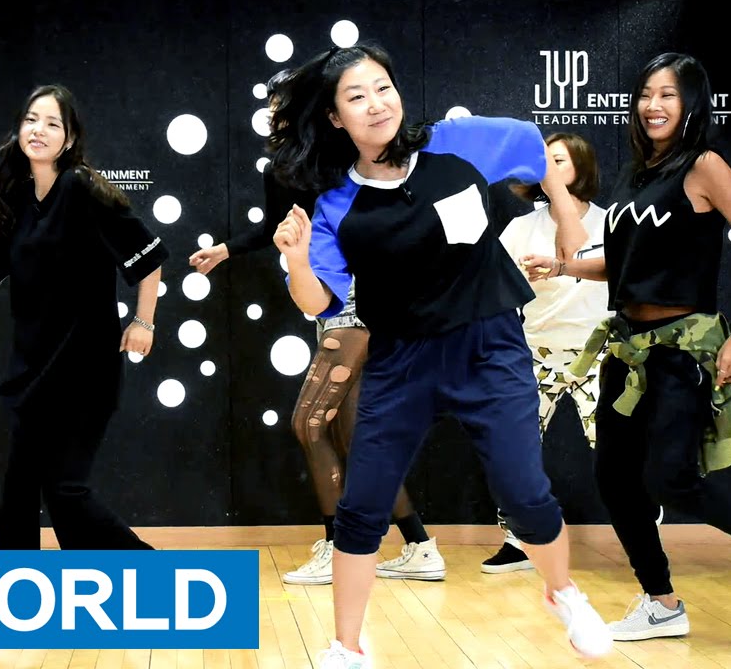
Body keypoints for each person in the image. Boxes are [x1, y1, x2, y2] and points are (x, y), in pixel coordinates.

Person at [269, 43, 612, 667]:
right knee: (362, 506)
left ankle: (563, 592)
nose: (377, 104)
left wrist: (567, 217)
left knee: (524, 493)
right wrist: (295, 259)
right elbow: (319, 302)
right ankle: (347, 647)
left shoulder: (454, 144)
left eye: (383, 87)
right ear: (335, 118)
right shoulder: (337, 204)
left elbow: (533, 146)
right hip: (401, 361)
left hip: (489, 345)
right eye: (356, 97)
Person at [521, 52, 731, 642]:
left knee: (669, 478)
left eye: (668, 94)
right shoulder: (638, 176)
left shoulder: (704, 167)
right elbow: (623, 264)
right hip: (626, 349)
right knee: (614, 480)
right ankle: (662, 603)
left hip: (682, 351)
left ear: (692, 103)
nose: (653, 105)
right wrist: (565, 265)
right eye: (646, 94)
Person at [190, 71, 445, 585]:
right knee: (350, 434)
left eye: (285, 99)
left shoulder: (348, 147)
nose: (277, 108)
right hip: (326, 304)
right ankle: (420, 546)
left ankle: (338, 546)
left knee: (308, 424)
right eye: (273, 100)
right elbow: (275, 226)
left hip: (362, 299)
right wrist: (226, 249)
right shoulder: (282, 164)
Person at [0, 84, 168, 551]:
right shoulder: (17, 196)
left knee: (66, 490)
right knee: (20, 489)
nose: (39, 130)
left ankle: (154, 578)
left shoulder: (81, 187)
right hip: (33, 370)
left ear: (69, 139)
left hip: (85, 367)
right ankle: (17, 582)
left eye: (52, 123)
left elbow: (148, 258)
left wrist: (143, 321)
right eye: (31, 120)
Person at [483, 132, 617, 574]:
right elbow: (496, 291)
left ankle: (640, 520)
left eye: (558, 160)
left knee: (616, 445)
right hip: (536, 352)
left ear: (581, 166)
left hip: (599, 352)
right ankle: (518, 538)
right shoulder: (521, 228)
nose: (548, 169)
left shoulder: (610, 222)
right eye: (542, 162)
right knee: (513, 448)